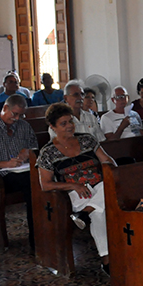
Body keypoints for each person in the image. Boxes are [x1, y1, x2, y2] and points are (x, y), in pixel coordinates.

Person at [37, 103, 116, 274]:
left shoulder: (87, 139)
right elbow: (45, 184)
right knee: (99, 212)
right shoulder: (47, 153)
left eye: (70, 121)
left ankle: (85, 214)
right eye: (63, 123)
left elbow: (107, 160)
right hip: (76, 194)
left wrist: (110, 168)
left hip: (99, 186)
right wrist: (73, 185)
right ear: (52, 127)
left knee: (105, 188)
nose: (69, 126)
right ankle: (107, 259)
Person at [0, 94, 38, 250]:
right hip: (0, 176)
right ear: (5, 108)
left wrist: (27, 152)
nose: (17, 118)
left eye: (20, 115)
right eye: (14, 114)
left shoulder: (24, 126)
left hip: (23, 171)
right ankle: (35, 240)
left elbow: (35, 147)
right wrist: (6, 164)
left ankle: (44, 232)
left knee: (40, 179)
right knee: (31, 184)